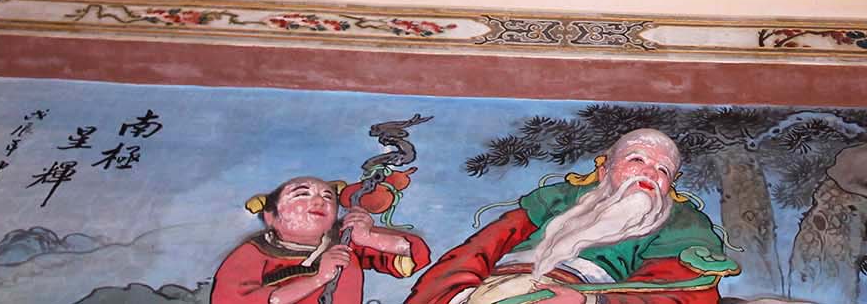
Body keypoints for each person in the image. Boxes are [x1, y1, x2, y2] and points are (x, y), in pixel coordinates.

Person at [404, 129, 732, 304]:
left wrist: (590, 301)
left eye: (663, 170)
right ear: (604, 169)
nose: (649, 173)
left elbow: (681, 292)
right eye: (637, 160)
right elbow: (481, 249)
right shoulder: (559, 199)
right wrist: (458, 295)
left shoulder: (682, 223)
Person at [212, 175, 431, 304]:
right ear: (270, 216)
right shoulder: (252, 253)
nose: (319, 201)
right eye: (302, 194)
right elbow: (233, 300)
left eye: (328, 197)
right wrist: (318, 279)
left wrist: (368, 237)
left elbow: (414, 253)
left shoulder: (345, 242)